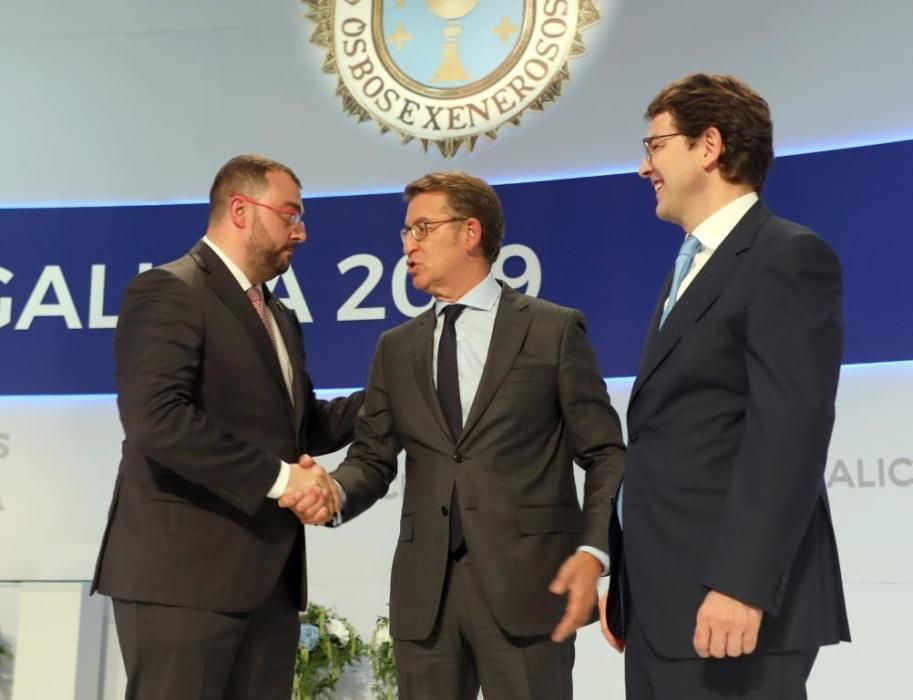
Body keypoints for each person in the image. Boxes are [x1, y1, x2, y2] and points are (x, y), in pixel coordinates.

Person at [283, 170, 625, 699]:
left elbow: (605, 453)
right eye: (405, 232)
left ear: (470, 233)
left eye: (422, 228)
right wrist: (333, 492)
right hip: (428, 599)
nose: (407, 246)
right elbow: (373, 458)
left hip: (530, 589)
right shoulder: (396, 348)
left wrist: (594, 550)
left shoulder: (552, 330)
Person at [599, 74, 851, 699]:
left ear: (708, 146)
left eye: (655, 146)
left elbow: (788, 435)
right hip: (664, 607)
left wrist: (742, 584)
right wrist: (628, 579)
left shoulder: (786, 256)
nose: (642, 167)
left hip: (735, 608)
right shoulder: (690, 264)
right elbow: (680, 434)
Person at [92, 154, 363, 700]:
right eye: (290, 215)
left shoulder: (279, 316)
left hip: (268, 583)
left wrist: (393, 395)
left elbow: (302, 426)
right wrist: (286, 481)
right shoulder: (169, 290)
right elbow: (158, 422)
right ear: (240, 209)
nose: (301, 232)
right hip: (182, 580)